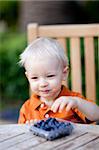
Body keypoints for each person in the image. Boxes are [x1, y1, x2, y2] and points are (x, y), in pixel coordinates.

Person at [18, 37, 99, 124]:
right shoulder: (27, 108)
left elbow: (96, 115)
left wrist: (77, 103)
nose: (43, 84)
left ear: (64, 74)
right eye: (34, 78)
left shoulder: (72, 101)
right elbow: (20, 135)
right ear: (28, 77)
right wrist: (28, 129)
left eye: (50, 76)